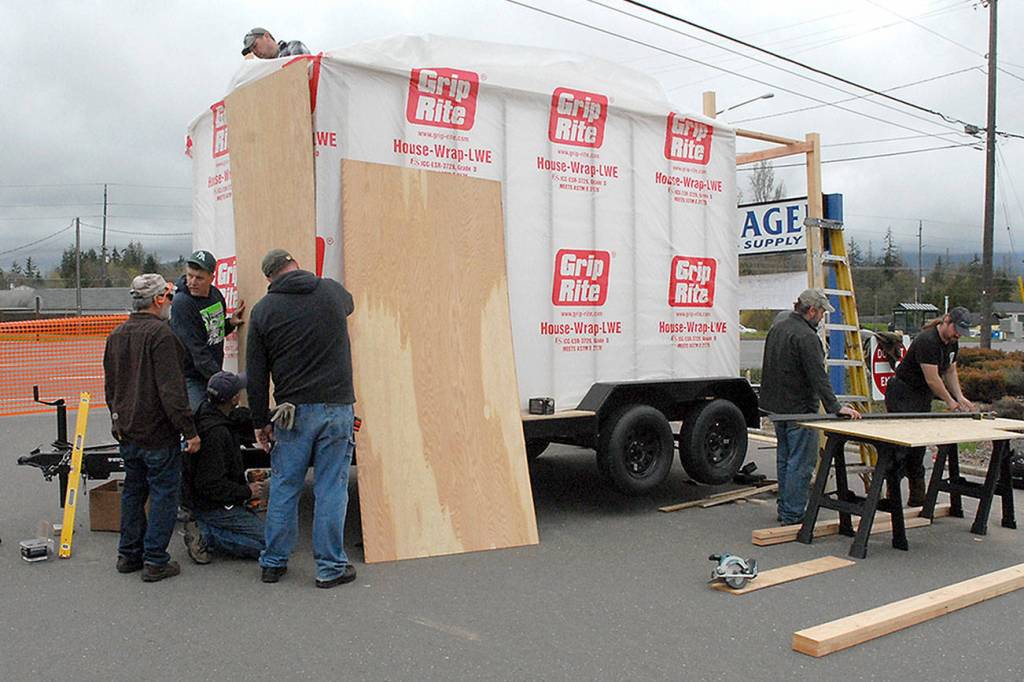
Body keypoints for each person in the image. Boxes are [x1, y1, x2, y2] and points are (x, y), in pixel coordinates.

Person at [247, 248, 357, 588]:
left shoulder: (264, 310)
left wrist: (259, 421)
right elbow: (350, 304)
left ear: (269, 278)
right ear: (295, 265)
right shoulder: (331, 292)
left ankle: (274, 562)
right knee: (331, 487)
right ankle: (330, 568)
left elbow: (256, 375)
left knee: (285, 486)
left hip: (291, 413)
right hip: (336, 407)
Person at [103, 274, 200, 582]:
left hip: (127, 431)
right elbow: (173, 392)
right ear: (158, 300)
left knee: (133, 491)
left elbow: (110, 389)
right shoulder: (162, 336)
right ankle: (155, 559)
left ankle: (129, 554)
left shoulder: (116, 335)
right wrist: (190, 431)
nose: (171, 302)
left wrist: (118, 421)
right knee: (163, 495)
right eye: (169, 296)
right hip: (157, 434)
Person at [759, 288, 862, 525]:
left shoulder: (778, 328)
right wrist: (835, 407)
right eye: (822, 312)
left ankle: (785, 508)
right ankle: (793, 513)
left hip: (777, 408)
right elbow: (818, 377)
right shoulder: (807, 337)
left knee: (785, 459)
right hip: (800, 409)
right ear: (812, 310)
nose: (822, 317)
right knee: (801, 463)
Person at [884, 306, 975, 505]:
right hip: (903, 393)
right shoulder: (927, 341)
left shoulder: (952, 343)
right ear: (947, 321)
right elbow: (933, 379)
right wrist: (950, 402)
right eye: (956, 329)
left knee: (918, 448)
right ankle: (892, 500)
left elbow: (949, 371)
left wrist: (960, 397)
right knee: (900, 448)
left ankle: (918, 499)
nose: (958, 335)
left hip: (921, 396)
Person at [181, 371, 266, 564]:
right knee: (271, 545)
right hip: (213, 506)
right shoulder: (217, 434)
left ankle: (208, 527)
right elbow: (210, 484)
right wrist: (247, 491)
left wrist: (267, 419)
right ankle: (206, 535)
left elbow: (241, 418)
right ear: (234, 398)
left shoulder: (208, 412)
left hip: (207, 501)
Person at [170, 249, 245, 411]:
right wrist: (222, 381)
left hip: (211, 372)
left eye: (199, 278)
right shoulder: (182, 303)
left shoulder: (215, 296)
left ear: (212, 277)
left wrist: (230, 323)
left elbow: (213, 332)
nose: (192, 282)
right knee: (200, 416)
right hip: (191, 377)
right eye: (190, 276)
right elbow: (196, 349)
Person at [241, 28, 309, 59]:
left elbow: (301, 68)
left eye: (255, 46)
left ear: (266, 36)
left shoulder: (292, 47)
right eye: (252, 51)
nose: (255, 52)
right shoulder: (263, 70)